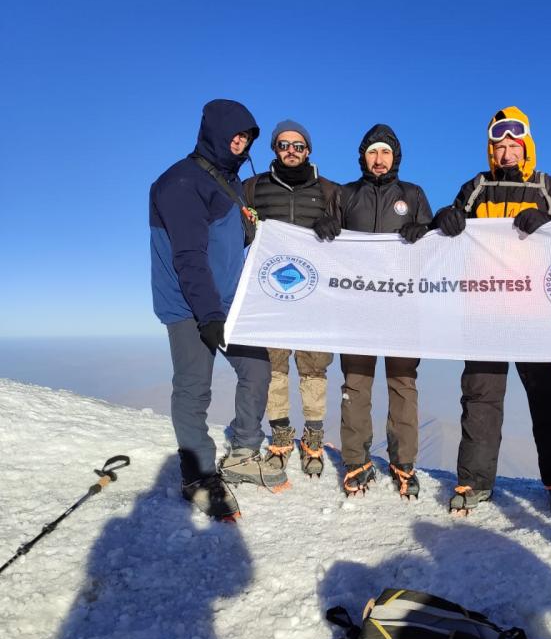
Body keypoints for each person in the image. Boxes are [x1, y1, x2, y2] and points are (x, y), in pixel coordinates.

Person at [432, 106, 551, 514]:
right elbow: (450, 223)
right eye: (499, 146)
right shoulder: (477, 187)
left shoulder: (547, 186)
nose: (507, 151)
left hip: (535, 311)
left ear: (527, 146)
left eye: (514, 144)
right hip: (484, 310)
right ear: (490, 150)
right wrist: (444, 217)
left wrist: (547, 219)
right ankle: (474, 482)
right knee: (480, 396)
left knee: (546, 396)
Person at [149, 99, 287, 519]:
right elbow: (188, 255)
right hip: (190, 305)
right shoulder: (180, 182)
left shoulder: (229, 183)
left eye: (246, 136)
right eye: (234, 134)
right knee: (194, 388)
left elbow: (227, 243)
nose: (240, 142)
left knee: (257, 369)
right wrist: (208, 314)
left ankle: (243, 453)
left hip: (227, 302)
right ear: (214, 132)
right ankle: (197, 477)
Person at [314, 124, 432, 498]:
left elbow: (433, 250)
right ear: (363, 157)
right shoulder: (346, 195)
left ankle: (403, 463)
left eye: (385, 152)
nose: (378, 160)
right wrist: (323, 227)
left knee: (403, 385)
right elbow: (325, 246)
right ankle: (356, 461)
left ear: (395, 157)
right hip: (357, 309)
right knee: (356, 385)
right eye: (372, 152)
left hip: (402, 309)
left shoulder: (412, 194)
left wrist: (424, 232)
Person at [243, 119, 339, 478]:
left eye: (298, 145)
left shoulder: (330, 191)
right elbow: (235, 232)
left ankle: (313, 438)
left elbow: (350, 236)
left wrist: (335, 229)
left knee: (314, 369)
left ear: (308, 150)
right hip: (271, 296)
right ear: (275, 149)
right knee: (275, 369)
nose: (291, 151)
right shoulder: (253, 188)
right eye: (284, 145)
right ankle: (281, 437)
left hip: (317, 297)